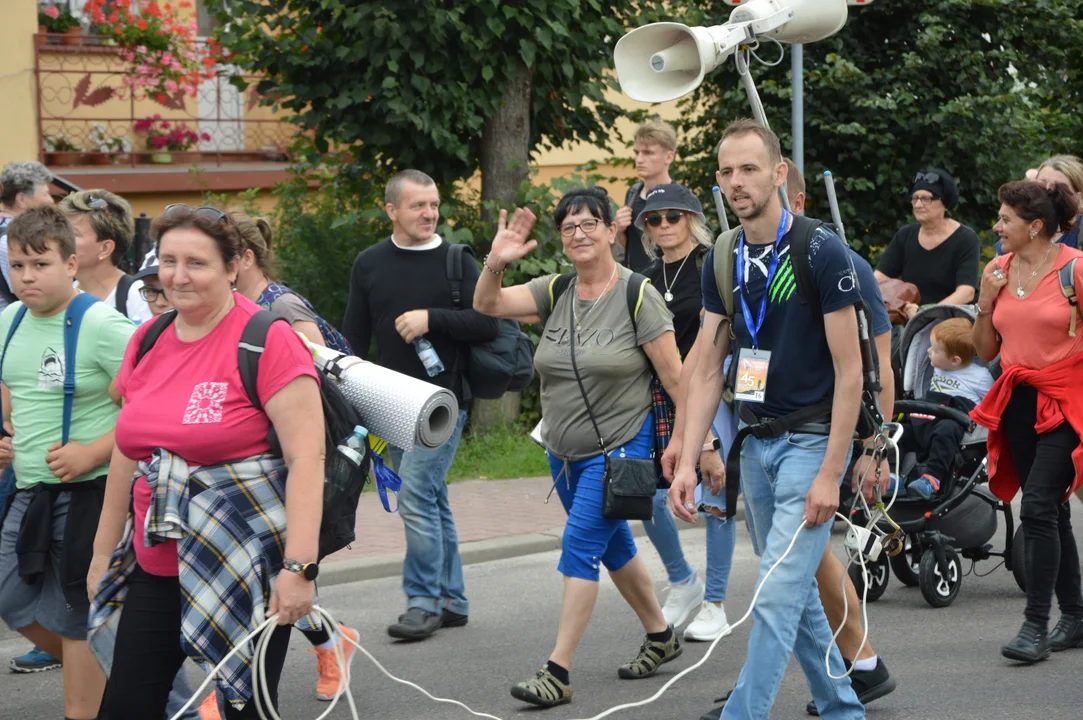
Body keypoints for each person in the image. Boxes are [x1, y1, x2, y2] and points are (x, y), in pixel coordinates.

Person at [87, 204, 325, 719]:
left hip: (246, 563)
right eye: (167, 261)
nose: (177, 276)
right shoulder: (148, 340)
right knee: (127, 706)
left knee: (246, 709)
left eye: (196, 262)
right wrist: (103, 552)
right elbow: (129, 452)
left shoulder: (268, 339)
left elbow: (308, 457)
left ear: (234, 264)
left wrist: (299, 569)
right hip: (158, 561)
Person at [670, 119, 871, 719]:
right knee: (794, 590)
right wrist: (686, 457)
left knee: (777, 595)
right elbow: (706, 369)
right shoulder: (725, 257)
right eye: (727, 171)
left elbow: (850, 372)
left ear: (779, 173)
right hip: (753, 449)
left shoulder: (819, 248)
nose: (737, 182)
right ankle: (841, 706)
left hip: (809, 443)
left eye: (750, 168)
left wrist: (832, 472)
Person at [473, 186, 685, 708]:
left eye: (590, 223)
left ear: (613, 230)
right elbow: (488, 304)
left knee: (580, 546)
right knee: (611, 546)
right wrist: (495, 262)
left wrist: (697, 445)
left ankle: (558, 671)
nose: (580, 233)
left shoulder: (638, 293)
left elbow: (676, 377)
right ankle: (661, 634)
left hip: (620, 445)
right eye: (569, 226)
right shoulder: (557, 289)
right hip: (562, 450)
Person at [342, 169, 500, 641]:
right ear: (392, 210)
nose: (430, 213)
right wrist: (348, 397)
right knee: (430, 496)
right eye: (418, 206)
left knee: (413, 493)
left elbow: (487, 323)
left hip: (444, 402)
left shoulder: (456, 260)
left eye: (433, 204)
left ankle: (422, 601)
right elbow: (353, 338)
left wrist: (432, 319)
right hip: (390, 405)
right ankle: (453, 600)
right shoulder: (369, 263)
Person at [0, 206, 136, 720]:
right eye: (17, 266)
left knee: (76, 617)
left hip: (92, 492)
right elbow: (10, 382)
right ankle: (126, 680)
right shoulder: (9, 320)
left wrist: (94, 451)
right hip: (30, 490)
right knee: (10, 599)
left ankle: (87, 709)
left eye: (40, 264)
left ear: (71, 263)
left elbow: (151, 404)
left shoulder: (101, 323)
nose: (26, 277)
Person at [972, 180, 1083, 662]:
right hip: (1017, 401)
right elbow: (984, 351)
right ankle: (1076, 615)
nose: (997, 227)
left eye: (1005, 219)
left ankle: (1035, 625)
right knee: (1051, 509)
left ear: (1035, 226)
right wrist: (984, 303)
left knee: (1037, 507)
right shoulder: (996, 269)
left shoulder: (1075, 270)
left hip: (1065, 402)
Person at [635, 182, 734, 642]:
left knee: (715, 495)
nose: (663, 226)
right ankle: (682, 580)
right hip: (660, 394)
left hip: (713, 389)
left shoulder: (714, 263)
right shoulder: (645, 277)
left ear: (691, 218)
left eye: (672, 216)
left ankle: (716, 602)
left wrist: (708, 435)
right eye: (653, 219)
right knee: (644, 494)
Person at [232, 211, 352, 353]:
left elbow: (320, 369)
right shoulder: (236, 304)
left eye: (225, 258)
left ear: (247, 259)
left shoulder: (285, 307)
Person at [901, 318, 993, 500]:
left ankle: (932, 479)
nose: (928, 351)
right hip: (928, 416)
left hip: (954, 420)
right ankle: (892, 476)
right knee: (900, 431)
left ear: (955, 360)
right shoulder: (939, 366)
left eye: (934, 350)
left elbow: (992, 402)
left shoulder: (980, 376)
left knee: (946, 430)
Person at [874, 168, 980, 320]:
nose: (918, 204)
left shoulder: (966, 239)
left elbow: (966, 292)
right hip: (910, 323)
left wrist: (925, 314)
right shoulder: (906, 235)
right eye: (915, 198)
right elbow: (880, 277)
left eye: (926, 199)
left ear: (945, 203)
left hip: (950, 325)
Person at [58, 190, 153, 325]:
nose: (60, 239)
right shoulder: (63, 294)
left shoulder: (137, 297)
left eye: (73, 233)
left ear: (105, 248)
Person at [614, 118, 678, 272]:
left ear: (669, 157)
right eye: (637, 152)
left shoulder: (678, 198)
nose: (639, 159)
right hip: (635, 282)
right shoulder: (633, 193)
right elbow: (631, 245)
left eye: (648, 153)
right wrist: (619, 230)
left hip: (667, 283)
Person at [997, 155, 1083, 255]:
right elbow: (998, 265)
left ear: (1077, 197)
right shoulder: (1017, 229)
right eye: (1041, 184)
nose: (1047, 191)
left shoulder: (1079, 235)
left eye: (1058, 188)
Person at [0, 161, 54, 315]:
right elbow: (30, 294)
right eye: (45, 194)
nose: (50, 200)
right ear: (22, 199)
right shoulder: (12, 239)